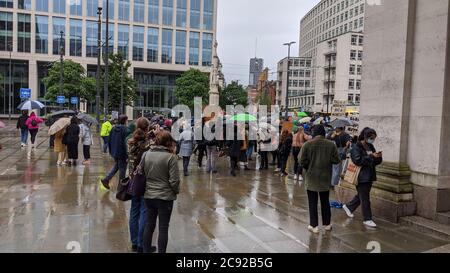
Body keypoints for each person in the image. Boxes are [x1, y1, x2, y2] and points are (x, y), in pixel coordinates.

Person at [142, 130, 180, 253]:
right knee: (163, 227)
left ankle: (146, 250)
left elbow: (141, 173)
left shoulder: (146, 154)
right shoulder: (171, 158)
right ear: (168, 142)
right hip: (165, 197)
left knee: (149, 225)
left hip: (149, 195)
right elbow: (174, 181)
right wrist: (176, 191)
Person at [300, 125, 340, 233]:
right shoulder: (331, 145)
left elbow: (301, 161)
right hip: (325, 177)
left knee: (312, 202)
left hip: (311, 177)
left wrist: (308, 166)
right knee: (325, 201)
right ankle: (327, 224)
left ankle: (314, 226)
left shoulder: (307, 144)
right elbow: (336, 160)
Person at [343, 128, 383, 228]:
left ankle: (349, 207)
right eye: (371, 138)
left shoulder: (370, 146)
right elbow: (358, 160)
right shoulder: (356, 147)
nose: (372, 140)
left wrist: (378, 157)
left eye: (374, 138)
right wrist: (371, 157)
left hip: (369, 175)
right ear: (365, 137)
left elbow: (374, 161)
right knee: (365, 198)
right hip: (361, 176)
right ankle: (367, 219)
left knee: (362, 195)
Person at [127, 117, 153, 253]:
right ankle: (142, 244)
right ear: (147, 128)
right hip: (144, 181)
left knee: (134, 211)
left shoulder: (130, 142)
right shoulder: (148, 145)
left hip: (132, 180)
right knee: (144, 212)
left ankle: (134, 242)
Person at [101, 115, 129, 190]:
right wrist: (127, 155)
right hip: (122, 153)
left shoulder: (113, 128)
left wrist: (111, 151)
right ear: (124, 121)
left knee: (117, 166)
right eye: (127, 120)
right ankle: (121, 188)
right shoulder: (125, 129)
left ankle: (106, 179)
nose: (127, 122)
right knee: (122, 170)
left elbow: (109, 140)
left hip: (115, 152)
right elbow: (125, 143)